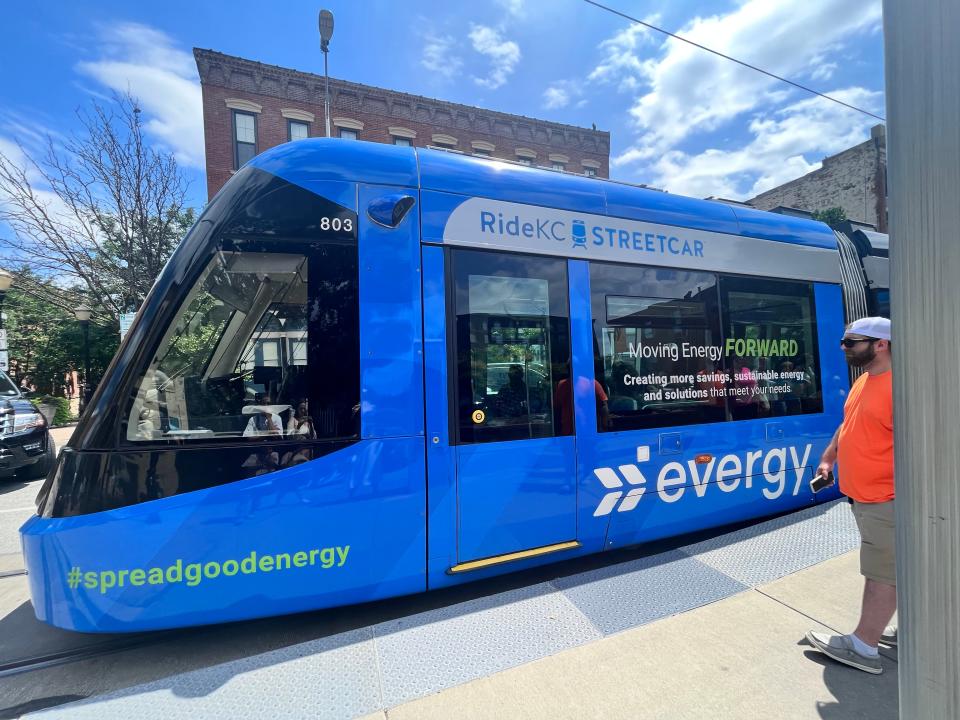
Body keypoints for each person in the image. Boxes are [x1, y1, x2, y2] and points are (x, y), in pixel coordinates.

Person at [805, 316, 895, 675]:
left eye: (851, 342)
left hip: (884, 499)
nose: (843, 348)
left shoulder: (900, 387)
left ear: (881, 344)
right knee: (897, 570)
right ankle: (913, 631)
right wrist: (829, 458)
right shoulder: (864, 381)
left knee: (882, 574)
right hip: (864, 498)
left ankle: (863, 646)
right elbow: (850, 424)